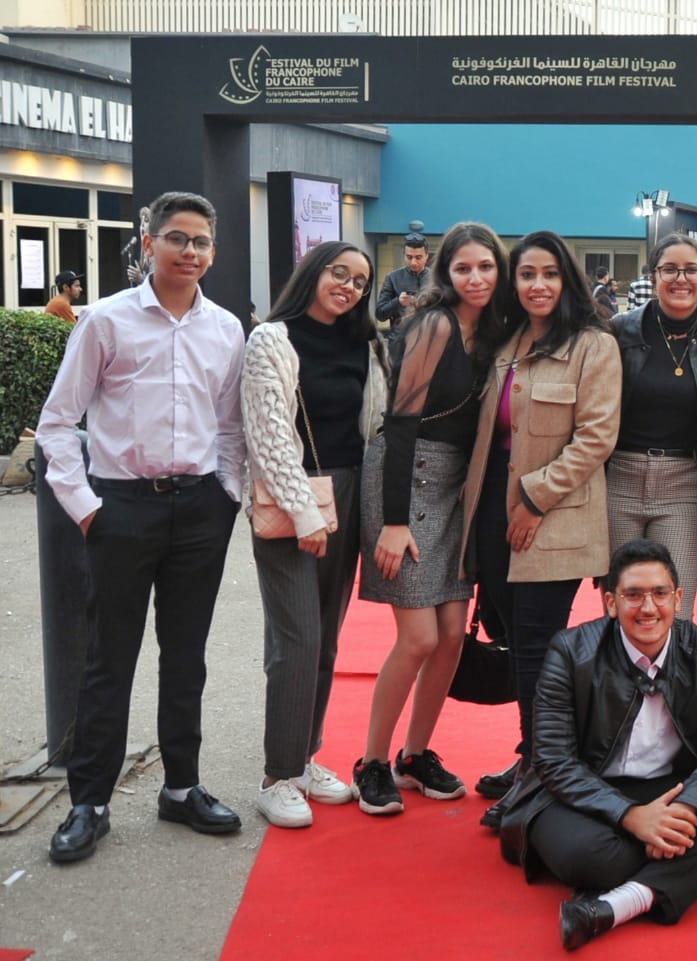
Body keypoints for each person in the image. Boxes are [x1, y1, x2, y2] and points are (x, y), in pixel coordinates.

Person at [38, 191, 246, 862]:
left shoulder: (225, 329)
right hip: (121, 508)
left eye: (201, 242)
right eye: (177, 238)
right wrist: (86, 506)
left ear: (213, 252)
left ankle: (181, 787)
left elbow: (230, 426)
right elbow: (57, 423)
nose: (190, 251)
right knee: (110, 657)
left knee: (186, 655)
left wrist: (228, 494)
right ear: (149, 243)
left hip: (200, 509)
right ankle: (89, 802)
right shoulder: (105, 321)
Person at [499, 539, 697, 953]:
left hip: (672, 790)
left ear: (678, 599)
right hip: (583, 793)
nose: (648, 608)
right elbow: (553, 760)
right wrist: (630, 816)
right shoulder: (571, 652)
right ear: (611, 602)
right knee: (592, 859)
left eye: (659, 593)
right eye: (633, 595)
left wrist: (690, 806)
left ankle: (618, 905)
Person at [459, 230, 622, 828]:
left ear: (566, 279)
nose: (538, 285)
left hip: (553, 516)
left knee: (538, 646)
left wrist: (534, 498)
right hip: (491, 513)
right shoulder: (505, 342)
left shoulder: (593, 346)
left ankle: (541, 768)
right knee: (512, 638)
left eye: (549, 274)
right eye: (526, 274)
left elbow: (596, 437)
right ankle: (534, 754)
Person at [352, 222, 509, 816]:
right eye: (463, 268)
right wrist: (394, 521)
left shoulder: (496, 332)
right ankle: (371, 761)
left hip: (456, 488)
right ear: (446, 272)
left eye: (486, 266)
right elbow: (401, 422)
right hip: (406, 474)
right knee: (418, 637)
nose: (476, 277)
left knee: (449, 639)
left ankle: (414, 756)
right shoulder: (433, 325)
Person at [241, 241, 390, 828]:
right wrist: (305, 513)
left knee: (326, 638)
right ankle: (276, 775)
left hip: (348, 493)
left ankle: (304, 759)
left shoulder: (366, 344)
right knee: (297, 638)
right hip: (289, 499)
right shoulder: (271, 339)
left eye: (360, 281)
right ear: (312, 272)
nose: (348, 286)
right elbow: (268, 435)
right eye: (339, 273)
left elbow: (375, 426)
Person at [608, 233, 697, 618]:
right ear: (653, 277)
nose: (681, 279)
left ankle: (672, 664)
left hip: (685, 485)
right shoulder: (620, 331)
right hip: (619, 480)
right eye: (669, 270)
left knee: (673, 610)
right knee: (623, 607)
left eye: (691, 270)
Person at [375, 232, 430, 330]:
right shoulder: (392, 278)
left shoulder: (437, 277)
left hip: (429, 334)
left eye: (418, 257)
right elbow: (380, 314)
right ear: (404, 255)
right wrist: (398, 302)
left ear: (426, 256)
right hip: (400, 337)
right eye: (409, 257)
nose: (413, 262)